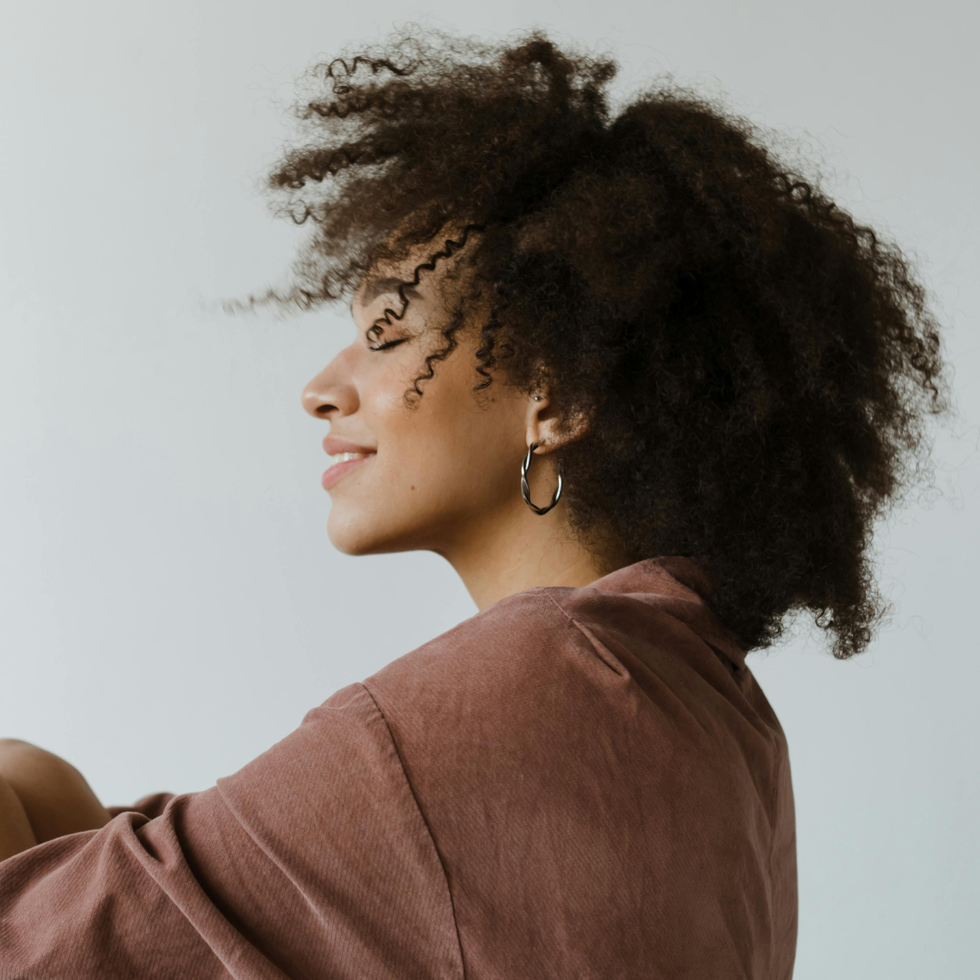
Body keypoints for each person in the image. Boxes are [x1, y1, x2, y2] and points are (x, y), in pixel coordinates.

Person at [0, 24, 956, 980]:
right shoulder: (701, 692)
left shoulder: (531, 683)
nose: (323, 389)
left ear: (558, 395)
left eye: (388, 331)